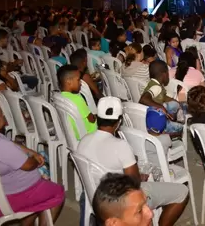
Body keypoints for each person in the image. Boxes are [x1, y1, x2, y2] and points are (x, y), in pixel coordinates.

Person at [77, 97, 189, 226]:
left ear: (97, 117)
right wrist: (140, 175)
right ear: (119, 122)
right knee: (182, 192)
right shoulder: (120, 146)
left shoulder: (83, 141)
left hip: (95, 194)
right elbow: (134, 182)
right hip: (123, 200)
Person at [59, 64, 97, 138]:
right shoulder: (77, 99)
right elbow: (91, 119)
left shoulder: (60, 96)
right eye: (78, 79)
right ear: (69, 81)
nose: (80, 83)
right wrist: (97, 116)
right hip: (89, 134)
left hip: (73, 135)